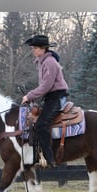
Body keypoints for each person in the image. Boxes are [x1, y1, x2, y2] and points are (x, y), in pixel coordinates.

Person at [22, 35, 69, 168]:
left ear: (43, 49)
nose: (33, 51)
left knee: (41, 125)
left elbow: (46, 86)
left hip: (56, 97)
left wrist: (29, 96)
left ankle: (50, 159)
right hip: (51, 97)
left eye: (36, 48)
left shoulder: (49, 62)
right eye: (33, 48)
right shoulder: (43, 62)